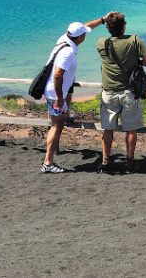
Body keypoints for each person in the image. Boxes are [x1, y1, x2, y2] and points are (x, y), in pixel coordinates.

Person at [41, 15, 108, 173]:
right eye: (84, 34)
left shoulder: (65, 38)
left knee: (57, 122)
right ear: (80, 38)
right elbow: (57, 75)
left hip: (54, 90)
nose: (86, 34)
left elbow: (87, 26)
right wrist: (59, 99)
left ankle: (66, 115)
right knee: (56, 126)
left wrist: (103, 20)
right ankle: (48, 163)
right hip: (55, 94)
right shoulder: (68, 52)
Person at [97, 12, 146, 173]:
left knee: (108, 129)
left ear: (108, 27)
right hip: (129, 91)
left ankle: (105, 162)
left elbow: (85, 29)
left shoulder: (101, 43)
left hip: (108, 91)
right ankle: (129, 162)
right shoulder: (134, 40)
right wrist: (136, 62)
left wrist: (102, 19)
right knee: (131, 129)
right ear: (124, 26)